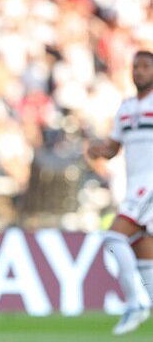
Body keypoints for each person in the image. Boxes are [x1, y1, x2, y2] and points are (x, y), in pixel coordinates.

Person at [85, 50, 153, 335]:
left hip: (149, 183)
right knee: (143, 251)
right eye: (135, 66)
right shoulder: (125, 107)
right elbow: (113, 149)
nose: (138, 71)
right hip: (134, 184)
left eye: (145, 66)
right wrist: (98, 150)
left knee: (114, 237)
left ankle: (136, 302)